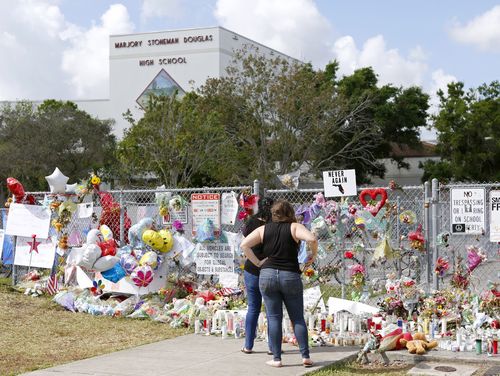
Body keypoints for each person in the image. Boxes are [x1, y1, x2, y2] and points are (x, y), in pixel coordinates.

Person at [240, 199, 318, 368]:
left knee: (273, 317)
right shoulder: (294, 227)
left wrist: (258, 262)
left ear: (273, 214)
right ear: (290, 213)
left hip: (267, 275)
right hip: (290, 274)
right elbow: (311, 238)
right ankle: (305, 356)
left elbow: (244, 244)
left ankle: (276, 358)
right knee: (297, 317)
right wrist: (313, 256)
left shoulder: (263, 229)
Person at [240, 197, 274, 354]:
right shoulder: (274, 225)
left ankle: (248, 345)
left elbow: (245, 244)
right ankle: (272, 348)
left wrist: (255, 261)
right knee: (271, 309)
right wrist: (262, 262)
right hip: (269, 269)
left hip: (251, 269)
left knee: (253, 308)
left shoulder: (250, 223)